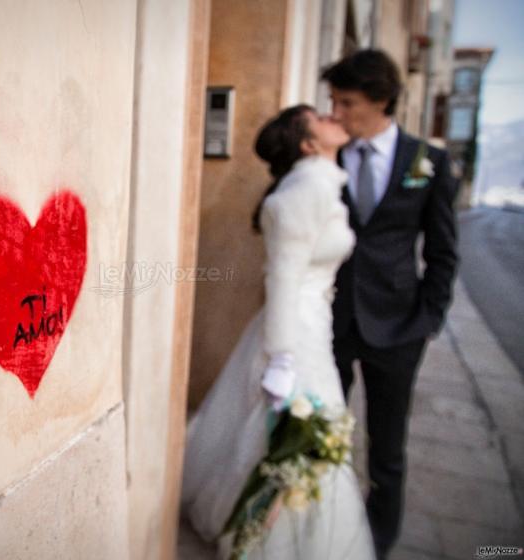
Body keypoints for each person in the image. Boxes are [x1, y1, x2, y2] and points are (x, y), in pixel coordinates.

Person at [181, 105, 375, 560]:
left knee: (302, 434)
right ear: (309, 145)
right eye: (320, 117)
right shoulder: (305, 189)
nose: (334, 115)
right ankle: (273, 538)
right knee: (297, 430)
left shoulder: (320, 183)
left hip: (313, 322)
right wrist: (284, 357)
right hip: (296, 330)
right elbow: (283, 277)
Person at [321, 49, 459, 560]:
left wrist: (429, 318)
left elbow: (443, 251)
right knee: (323, 433)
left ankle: (377, 543)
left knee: (387, 449)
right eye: (332, 101)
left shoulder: (428, 162)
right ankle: (326, 527)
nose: (336, 113)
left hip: (399, 329)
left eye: (347, 102)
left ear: (381, 101)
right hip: (332, 323)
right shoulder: (327, 153)